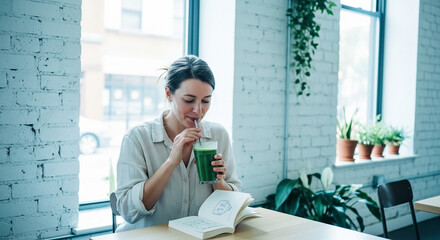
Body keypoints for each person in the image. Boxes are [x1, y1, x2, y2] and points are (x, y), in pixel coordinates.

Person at [115, 55, 241, 232]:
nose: (198, 110)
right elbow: (127, 210)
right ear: (168, 94)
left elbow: (233, 206)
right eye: (189, 100)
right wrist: (171, 162)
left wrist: (218, 181)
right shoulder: (138, 138)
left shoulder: (218, 135)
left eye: (206, 100)